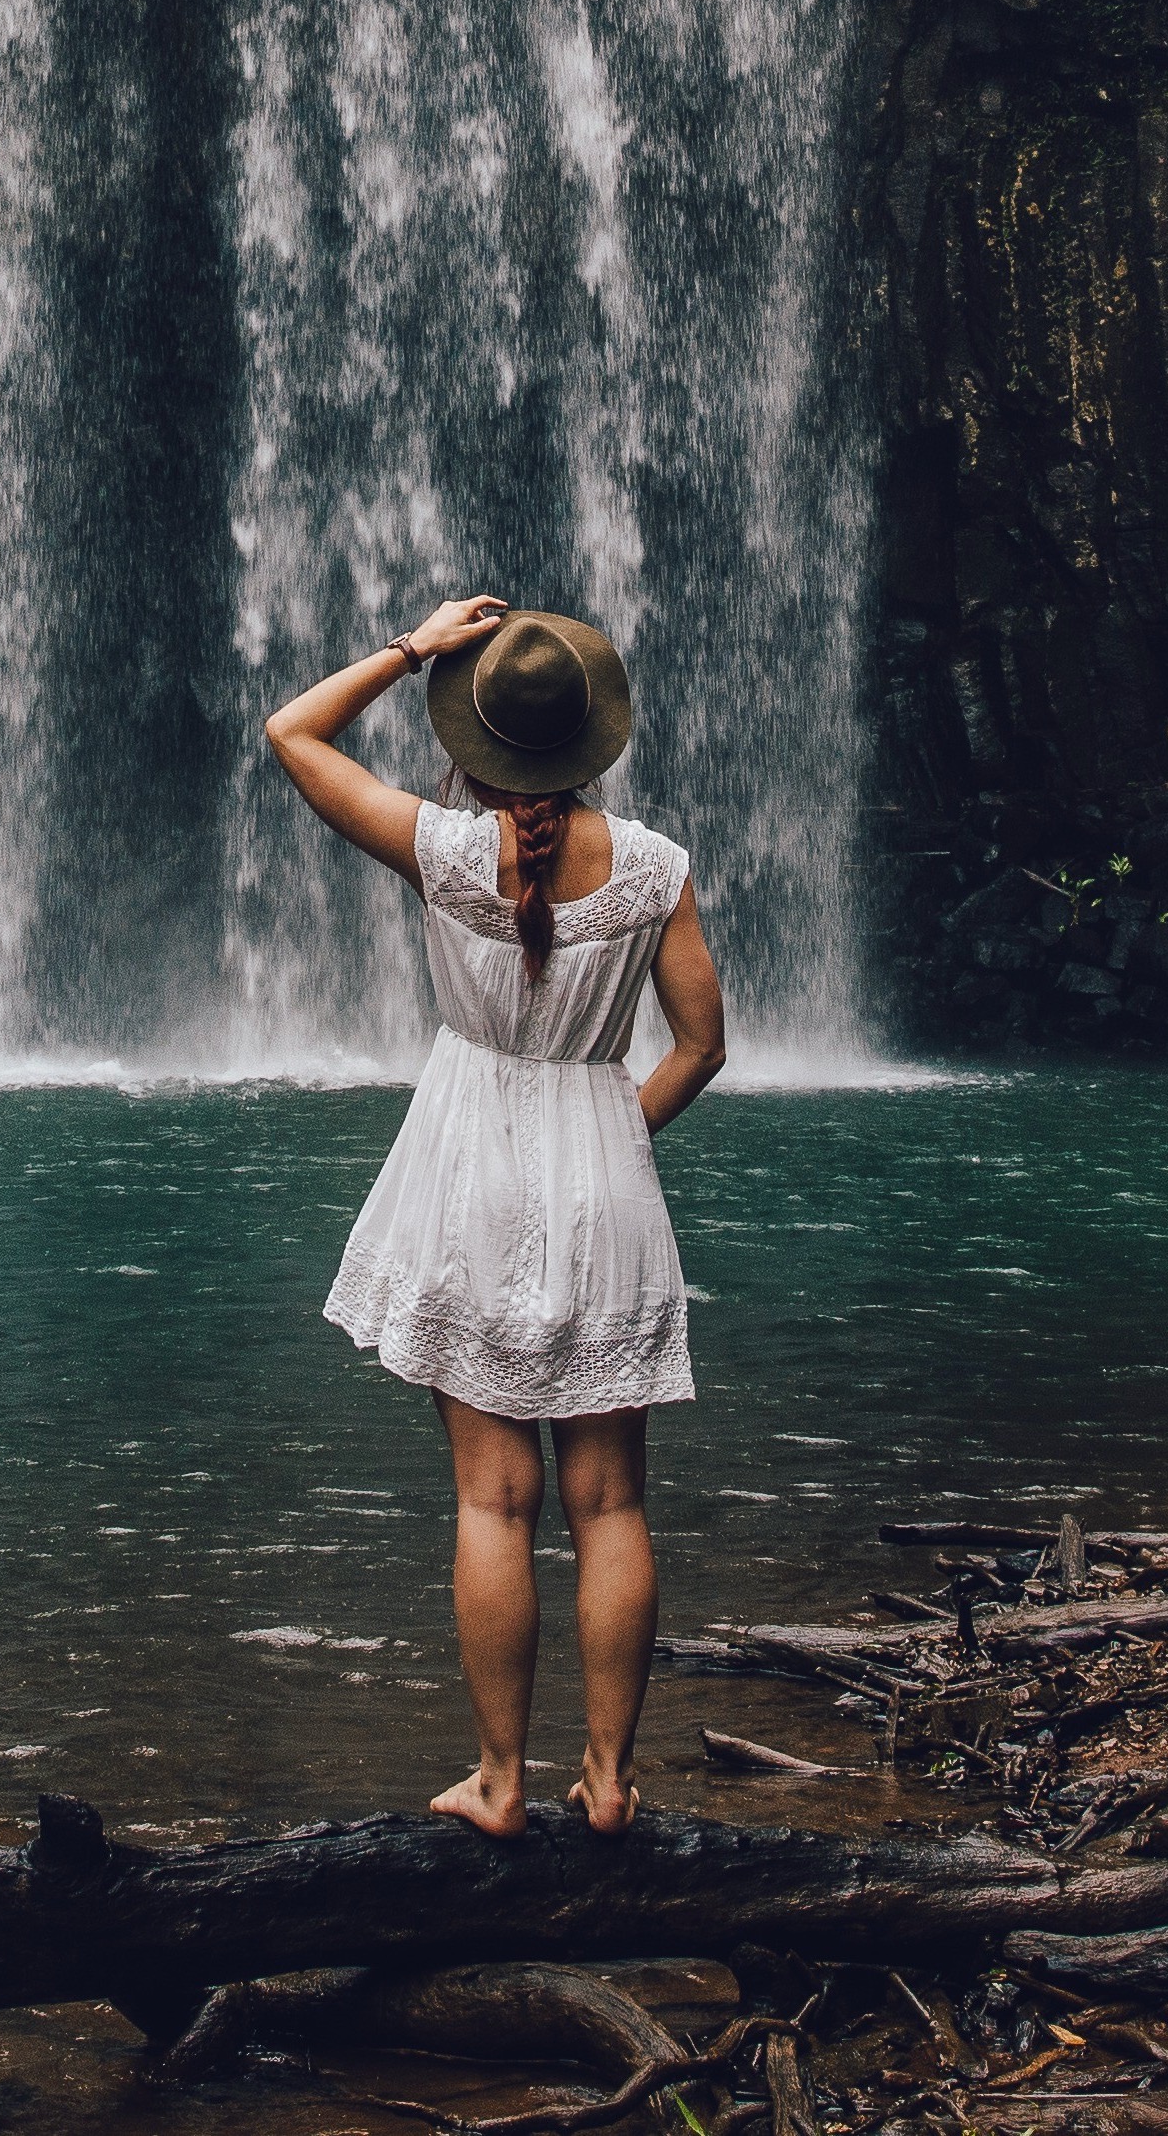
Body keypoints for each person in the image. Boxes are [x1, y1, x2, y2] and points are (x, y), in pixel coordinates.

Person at [263, 595, 728, 1839]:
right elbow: (702, 1047)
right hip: (604, 1173)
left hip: (467, 1173)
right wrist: (615, 1137)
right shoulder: (656, 872)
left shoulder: (445, 850)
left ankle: (500, 1781)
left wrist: (413, 647)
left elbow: (292, 733)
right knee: (612, 1503)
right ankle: (613, 1781)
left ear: (480, 746)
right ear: (592, 746)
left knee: (493, 1500)